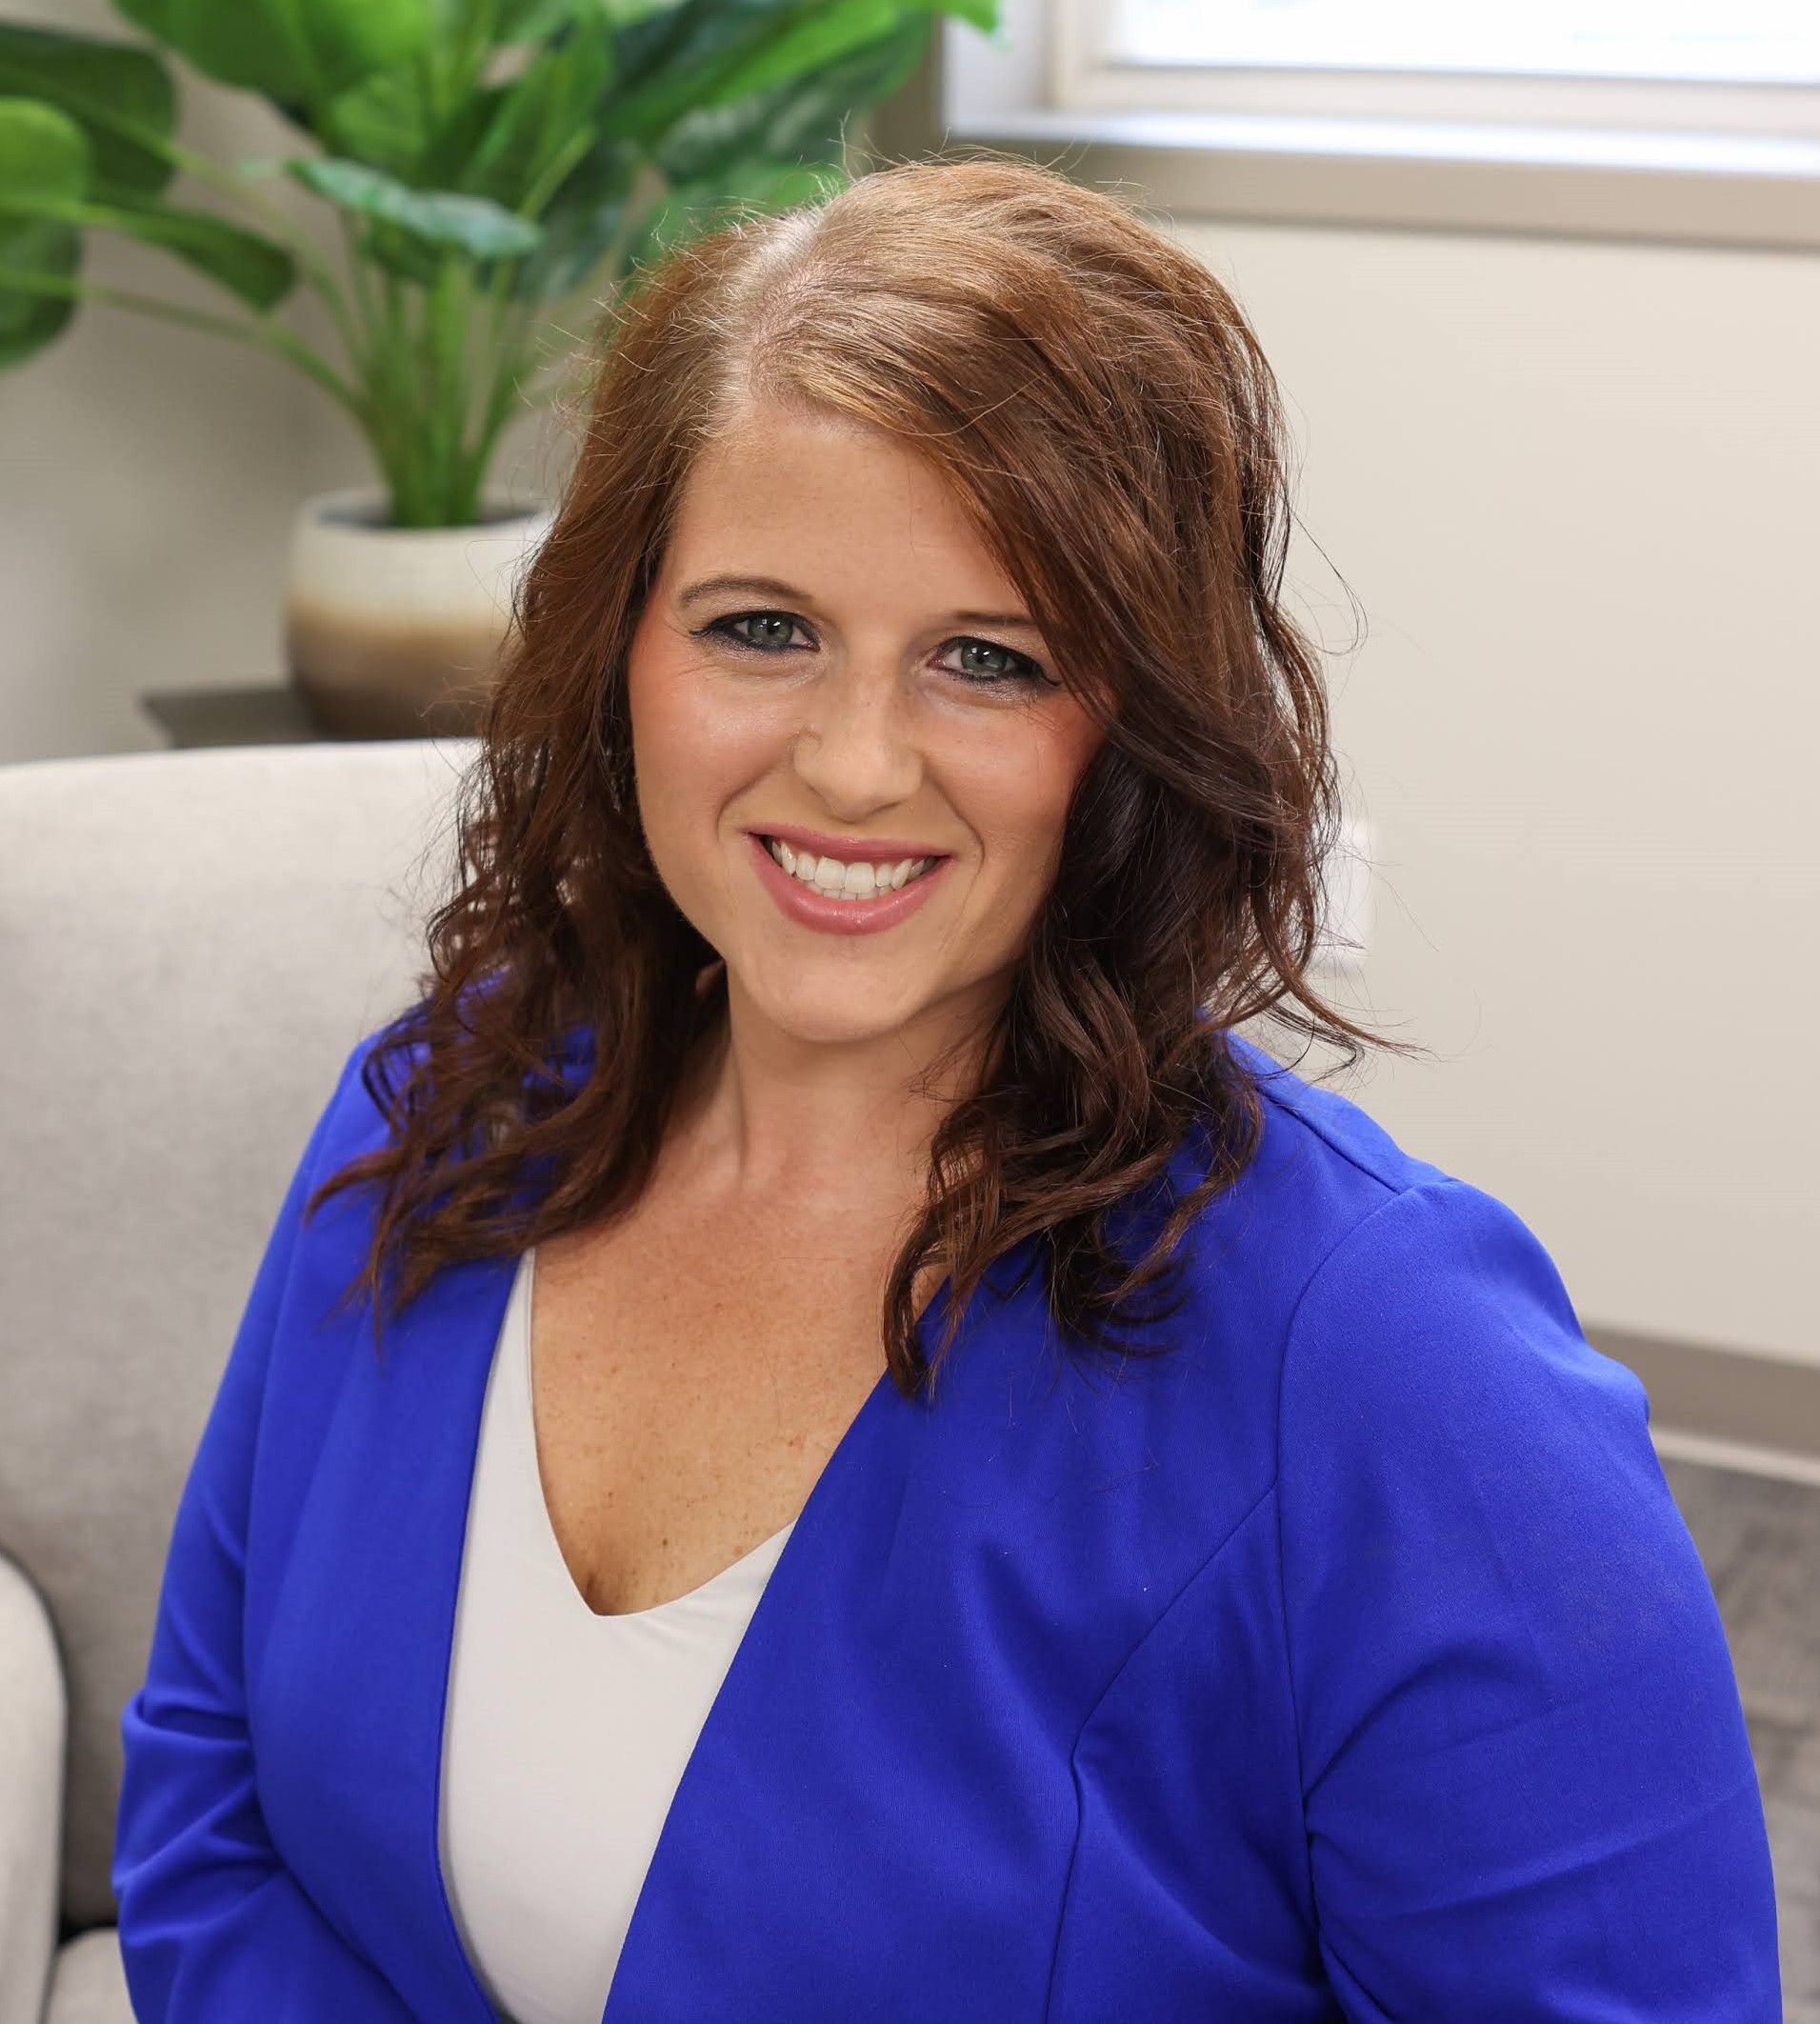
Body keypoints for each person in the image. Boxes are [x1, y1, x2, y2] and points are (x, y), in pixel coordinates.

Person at [111, 153, 1781, 2022]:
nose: (849, 760)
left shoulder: (1401, 1373)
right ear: (621, 649)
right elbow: (209, 1807)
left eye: (986, 660)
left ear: (1139, 721)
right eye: (760, 625)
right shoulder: (435, 1112)